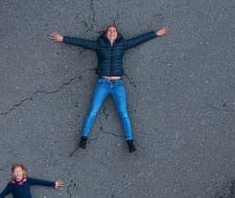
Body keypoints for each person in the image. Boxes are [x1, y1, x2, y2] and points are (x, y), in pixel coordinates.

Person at [50, 24, 169, 152]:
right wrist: (63, 38)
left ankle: (130, 141)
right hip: (102, 83)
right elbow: (82, 42)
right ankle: (83, 138)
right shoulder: (98, 45)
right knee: (92, 112)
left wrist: (155, 34)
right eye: (109, 31)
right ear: (106, 34)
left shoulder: (123, 44)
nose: (112, 32)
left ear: (117, 34)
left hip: (118, 85)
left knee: (124, 113)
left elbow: (138, 40)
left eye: (114, 31)